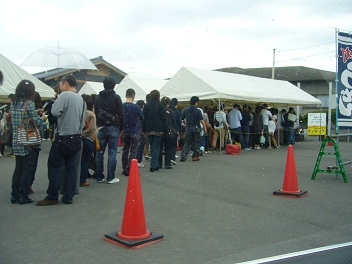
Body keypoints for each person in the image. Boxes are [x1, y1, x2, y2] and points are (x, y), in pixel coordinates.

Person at [36, 75, 86, 206]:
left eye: (60, 84)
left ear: (65, 84)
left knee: (54, 166)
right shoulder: (81, 99)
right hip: (76, 137)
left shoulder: (64, 95)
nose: (59, 86)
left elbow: (54, 111)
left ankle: (52, 195)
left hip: (63, 137)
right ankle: (68, 196)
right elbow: (82, 122)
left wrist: (56, 101)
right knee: (71, 168)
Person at [10, 80, 43, 204]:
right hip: (27, 140)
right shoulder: (29, 103)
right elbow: (34, 122)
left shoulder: (14, 103)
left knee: (18, 168)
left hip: (16, 139)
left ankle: (14, 195)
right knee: (27, 169)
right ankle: (24, 195)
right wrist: (42, 118)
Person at [94, 77, 124, 183]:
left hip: (101, 127)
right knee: (112, 153)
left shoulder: (98, 97)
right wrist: (121, 127)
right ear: (114, 85)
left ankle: (99, 176)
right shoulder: (116, 97)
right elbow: (121, 114)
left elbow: (96, 111)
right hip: (113, 127)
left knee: (99, 153)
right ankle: (110, 177)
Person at [143, 90, 167, 172]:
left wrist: (144, 129)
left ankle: (154, 164)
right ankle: (153, 165)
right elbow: (164, 119)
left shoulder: (147, 106)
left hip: (149, 129)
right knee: (156, 147)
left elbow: (144, 118)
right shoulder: (160, 106)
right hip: (159, 129)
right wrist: (165, 128)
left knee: (153, 147)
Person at [121, 89, 144, 176]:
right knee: (133, 150)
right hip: (134, 131)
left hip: (125, 130)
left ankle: (124, 167)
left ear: (126, 95)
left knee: (125, 149)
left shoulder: (122, 106)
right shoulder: (136, 107)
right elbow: (142, 118)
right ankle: (129, 168)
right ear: (133, 96)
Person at [180, 96, 204, 162]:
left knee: (187, 142)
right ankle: (195, 156)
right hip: (196, 128)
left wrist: (184, 124)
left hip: (188, 128)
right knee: (196, 142)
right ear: (196, 102)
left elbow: (181, 119)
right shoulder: (198, 110)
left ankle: (184, 156)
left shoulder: (185, 110)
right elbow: (201, 120)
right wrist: (204, 127)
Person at [80, 94, 96, 187]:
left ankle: (77, 178)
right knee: (86, 160)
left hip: (78, 139)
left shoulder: (78, 112)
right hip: (88, 139)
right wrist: (84, 134)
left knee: (78, 161)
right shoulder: (91, 114)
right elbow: (92, 128)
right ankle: (82, 180)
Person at [159, 96, 177, 169]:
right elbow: (173, 122)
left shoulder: (159, 110)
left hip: (160, 131)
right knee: (168, 148)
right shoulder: (171, 111)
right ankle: (167, 164)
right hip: (168, 131)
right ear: (168, 104)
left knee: (159, 148)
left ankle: (159, 163)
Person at [169, 98, 182, 164]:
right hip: (175, 130)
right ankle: (172, 157)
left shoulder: (168, 110)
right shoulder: (176, 112)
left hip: (168, 129)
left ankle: (168, 158)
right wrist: (180, 130)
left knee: (168, 145)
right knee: (174, 144)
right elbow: (179, 122)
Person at [136, 100, 146, 168]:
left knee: (135, 147)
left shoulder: (134, 111)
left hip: (134, 130)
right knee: (141, 146)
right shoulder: (142, 112)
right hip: (141, 130)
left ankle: (134, 160)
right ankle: (138, 161)